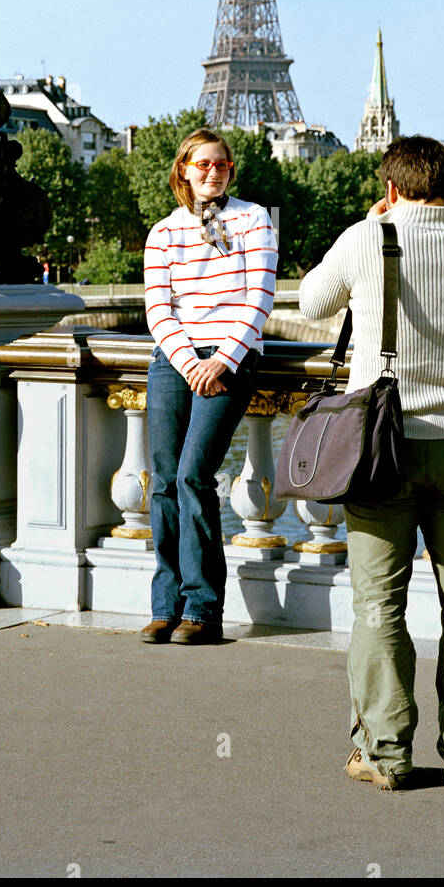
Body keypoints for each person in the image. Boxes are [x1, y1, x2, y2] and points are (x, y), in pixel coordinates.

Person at [299, 135, 444, 789]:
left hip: (382, 447)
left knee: (378, 605)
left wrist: (372, 226)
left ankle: (386, 755)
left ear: (390, 189)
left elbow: (311, 303)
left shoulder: (369, 238)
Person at [141, 128, 278, 645]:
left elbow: (259, 297)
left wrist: (219, 361)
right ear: (184, 170)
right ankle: (165, 604)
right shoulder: (164, 232)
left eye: (221, 165)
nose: (213, 172)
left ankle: (202, 608)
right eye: (203, 165)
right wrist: (186, 361)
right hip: (173, 361)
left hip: (231, 359)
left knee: (194, 475)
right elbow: (160, 308)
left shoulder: (253, 218)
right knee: (162, 480)